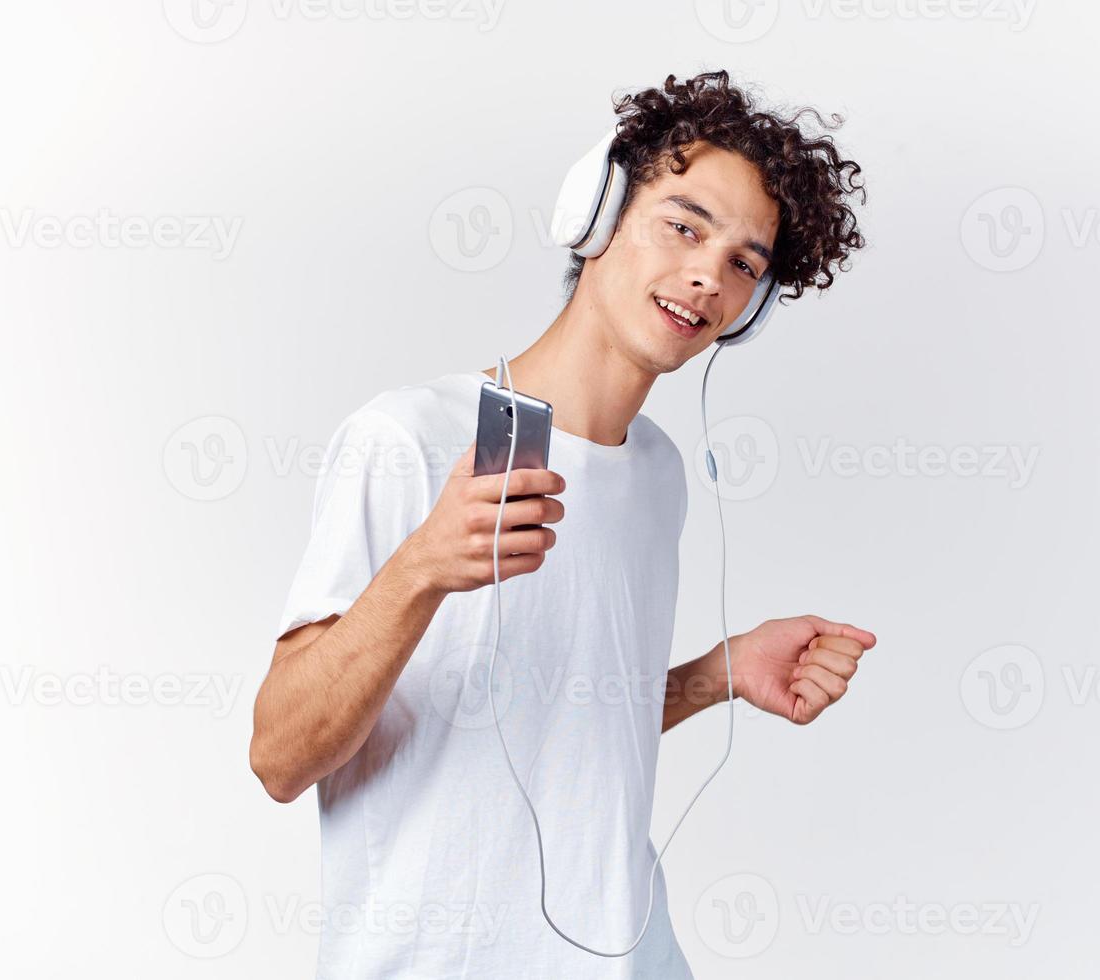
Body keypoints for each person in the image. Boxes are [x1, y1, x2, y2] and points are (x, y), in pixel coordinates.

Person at [250, 69, 876, 978]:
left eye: (745, 262)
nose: (708, 272)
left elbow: (565, 732)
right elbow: (279, 757)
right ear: (598, 216)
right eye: (684, 224)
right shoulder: (410, 439)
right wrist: (421, 568)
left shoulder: (658, 474)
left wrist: (718, 674)